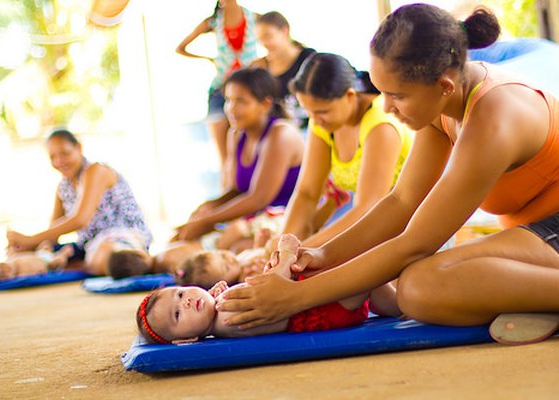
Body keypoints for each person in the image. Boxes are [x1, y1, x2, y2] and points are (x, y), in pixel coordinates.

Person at [216, 5, 559, 346]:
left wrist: (293, 298)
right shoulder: (444, 105)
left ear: (444, 85)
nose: (386, 108)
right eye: (382, 92)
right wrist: (323, 255)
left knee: (419, 287)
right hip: (535, 234)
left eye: (396, 96)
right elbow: (401, 200)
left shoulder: (494, 117)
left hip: (550, 228)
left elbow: (415, 245)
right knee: (415, 285)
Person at [135, 234, 395, 344]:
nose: (186, 302)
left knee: (369, 282)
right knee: (362, 263)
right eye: (178, 314)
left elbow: (266, 290)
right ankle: (402, 290)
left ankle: (397, 307)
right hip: (326, 307)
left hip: (318, 300)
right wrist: (284, 256)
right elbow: (274, 293)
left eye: (180, 294)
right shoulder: (227, 316)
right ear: (186, 340)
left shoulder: (220, 314)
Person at [280, 53, 414, 247]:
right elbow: (307, 193)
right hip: (370, 227)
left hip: (410, 228)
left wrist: (303, 249)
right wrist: (283, 245)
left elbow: (368, 207)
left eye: (322, 111)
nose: (315, 120)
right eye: (308, 111)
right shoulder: (321, 123)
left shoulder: (380, 125)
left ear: (350, 95)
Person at [171, 67, 304, 242]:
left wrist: (208, 220)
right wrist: (209, 207)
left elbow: (259, 198)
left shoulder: (280, 134)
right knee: (181, 240)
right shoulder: (236, 134)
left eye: (241, 101)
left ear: (265, 104)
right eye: (228, 100)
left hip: (284, 222)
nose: (232, 109)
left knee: (222, 248)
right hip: (252, 221)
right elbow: (236, 191)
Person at [6, 129, 153, 276]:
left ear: (79, 148)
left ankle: (82, 265)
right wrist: (35, 247)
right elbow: (53, 232)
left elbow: (81, 219)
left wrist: (30, 240)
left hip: (121, 238)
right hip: (89, 246)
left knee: (106, 254)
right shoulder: (63, 187)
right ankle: (72, 263)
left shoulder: (96, 170)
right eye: (53, 157)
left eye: (65, 154)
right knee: (20, 256)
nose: (59, 161)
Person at [176, 0, 259, 186]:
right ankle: (228, 207)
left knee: (250, 154)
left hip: (249, 93)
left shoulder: (254, 19)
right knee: (226, 160)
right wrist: (209, 59)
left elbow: (275, 37)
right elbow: (180, 48)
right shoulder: (212, 22)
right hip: (220, 91)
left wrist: (260, 62)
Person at [251, 11, 316, 129]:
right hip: (282, 135)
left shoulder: (310, 59)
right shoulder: (261, 68)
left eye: (268, 36)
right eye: (260, 40)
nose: (264, 44)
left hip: (312, 130)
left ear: (285, 31)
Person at [0, 241, 73, 284]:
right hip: (48, 263)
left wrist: (12, 247)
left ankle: (50, 250)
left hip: (39, 254)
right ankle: (64, 253)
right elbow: (34, 277)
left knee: (45, 244)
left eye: (0, 265)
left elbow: (12, 251)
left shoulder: (11, 259)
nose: (5, 268)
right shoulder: (21, 275)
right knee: (57, 261)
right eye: (2, 274)